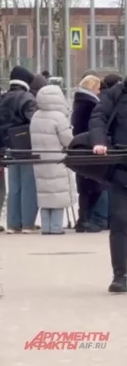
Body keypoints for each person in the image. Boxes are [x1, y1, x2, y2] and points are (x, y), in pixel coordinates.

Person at [90, 77, 127, 293]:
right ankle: (120, 274)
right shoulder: (117, 93)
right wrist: (99, 142)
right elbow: (98, 117)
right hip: (122, 170)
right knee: (120, 220)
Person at [0, 66, 39, 234]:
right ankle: (27, 223)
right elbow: (33, 121)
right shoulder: (27, 97)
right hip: (26, 146)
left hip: (10, 146)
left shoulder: (3, 98)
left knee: (14, 187)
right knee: (28, 184)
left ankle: (13, 224)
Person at [30, 85, 75, 235]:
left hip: (40, 159)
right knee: (57, 192)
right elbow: (68, 140)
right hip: (57, 159)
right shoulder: (59, 117)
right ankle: (56, 227)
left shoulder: (36, 115)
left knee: (44, 193)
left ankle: (46, 227)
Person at [71, 75, 103, 233]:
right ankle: (84, 219)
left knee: (87, 185)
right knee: (91, 186)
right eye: (98, 88)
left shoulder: (81, 102)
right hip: (88, 147)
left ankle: (84, 218)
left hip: (81, 147)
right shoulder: (90, 105)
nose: (99, 91)